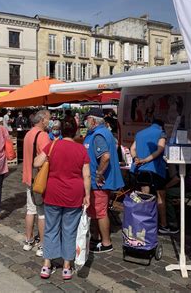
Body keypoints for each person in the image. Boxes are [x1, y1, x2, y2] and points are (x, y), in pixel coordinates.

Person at [34, 119, 91, 280]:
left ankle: (47, 264)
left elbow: (36, 162)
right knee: (69, 230)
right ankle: (66, 266)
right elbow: (86, 175)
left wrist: (48, 160)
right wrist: (87, 195)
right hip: (74, 194)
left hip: (53, 193)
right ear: (75, 131)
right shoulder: (81, 149)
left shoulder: (52, 145)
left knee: (51, 228)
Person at [83, 108, 124, 253]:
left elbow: (105, 156)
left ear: (93, 120)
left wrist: (99, 173)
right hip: (96, 181)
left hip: (99, 182)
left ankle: (106, 243)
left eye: (87, 119)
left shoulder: (99, 134)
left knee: (100, 212)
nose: (85, 121)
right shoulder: (99, 132)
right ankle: (96, 237)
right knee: (96, 211)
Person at [130, 118, 177, 234]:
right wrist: (146, 160)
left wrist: (137, 159)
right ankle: (163, 225)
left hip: (141, 170)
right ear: (161, 126)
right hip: (156, 170)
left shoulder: (140, 133)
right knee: (161, 198)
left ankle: (143, 224)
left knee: (144, 197)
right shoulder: (161, 133)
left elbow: (132, 148)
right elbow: (160, 149)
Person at [22, 110, 51, 257]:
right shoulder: (43, 135)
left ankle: (28, 240)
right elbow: (47, 157)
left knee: (30, 210)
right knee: (42, 213)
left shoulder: (28, 133)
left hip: (29, 176)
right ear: (42, 120)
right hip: (39, 179)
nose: (49, 122)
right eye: (48, 119)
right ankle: (42, 245)